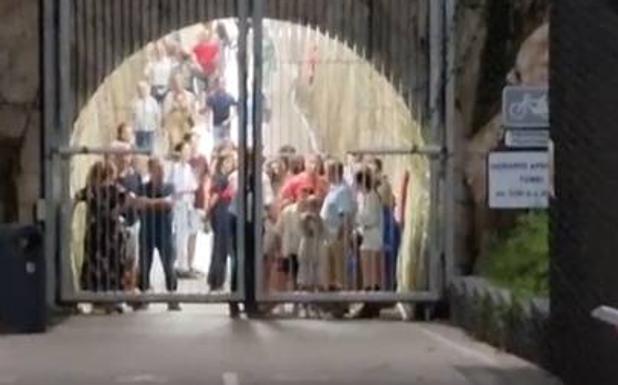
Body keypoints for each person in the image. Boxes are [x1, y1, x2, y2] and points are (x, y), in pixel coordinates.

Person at [75, 161, 129, 314]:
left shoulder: (91, 190)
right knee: (115, 265)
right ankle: (115, 300)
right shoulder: (117, 190)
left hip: (95, 233)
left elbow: (76, 197)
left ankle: (89, 299)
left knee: (92, 263)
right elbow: (126, 202)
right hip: (113, 234)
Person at [135, 158, 180, 311]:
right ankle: (143, 297)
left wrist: (149, 203)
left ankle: (172, 297)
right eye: (157, 169)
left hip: (164, 231)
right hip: (147, 230)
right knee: (144, 264)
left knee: (169, 264)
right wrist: (157, 203)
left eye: (162, 169)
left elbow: (169, 203)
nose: (161, 173)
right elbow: (139, 203)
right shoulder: (142, 187)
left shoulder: (169, 186)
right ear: (150, 171)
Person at [320, 160, 356, 291]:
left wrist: (340, 235)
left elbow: (345, 215)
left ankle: (342, 301)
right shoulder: (333, 190)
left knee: (339, 271)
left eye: (328, 171)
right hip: (328, 236)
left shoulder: (342, 191)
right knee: (331, 271)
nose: (325, 174)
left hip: (336, 236)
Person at [169, 141, 200, 279]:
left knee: (192, 233)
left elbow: (194, 185)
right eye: (185, 150)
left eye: (189, 150)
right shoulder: (175, 168)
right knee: (180, 235)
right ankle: (180, 266)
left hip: (189, 203)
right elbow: (172, 186)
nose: (187, 153)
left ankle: (189, 263)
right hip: (179, 204)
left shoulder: (190, 168)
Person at [206, 154, 235, 291]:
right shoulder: (222, 178)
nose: (230, 164)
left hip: (222, 211)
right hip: (222, 211)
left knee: (219, 246)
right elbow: (215, 196)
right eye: (228, 161)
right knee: (220, 246)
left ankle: (216, 278)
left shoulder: (222, 177)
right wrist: (208, 211)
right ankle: (217, 279)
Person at [297, 195, 328, 318]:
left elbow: (322, 232)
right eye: (312, 205)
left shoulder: (320, 219)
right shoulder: (303, 217)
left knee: (316, 279)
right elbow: (304, 230)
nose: (314, 208)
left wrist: (318, 220)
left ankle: (315, 306)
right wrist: (308, 219)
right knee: (305, 279)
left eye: (316, 205)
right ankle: (304, 306)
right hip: (306, 250)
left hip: (316, 251)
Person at [355, 168, 384, 292]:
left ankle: (373, 295)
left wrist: (357, 216)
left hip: (373, 236)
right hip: (366, 236)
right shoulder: (364, 197)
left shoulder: (372, 197)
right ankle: (368, 292)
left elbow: (371, 218)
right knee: (367, 270)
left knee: (372, 270)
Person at [186, 132, 209, 276]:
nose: (195, 145)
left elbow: (207, 175)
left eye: (197, 142)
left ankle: (190, 263)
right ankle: (182, 264)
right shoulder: (185, 161)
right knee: (184, 233)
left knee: (193, 232)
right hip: (186, 199)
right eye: (193, 142)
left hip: (198, 198)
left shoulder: (202, 159)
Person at [163, 74, 197, 154]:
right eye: (175, 83)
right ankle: (177, 157)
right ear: (172, 85)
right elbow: (165, 112)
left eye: (179, 83)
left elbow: (194, 112)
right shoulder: (169, 96)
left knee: (186, 144)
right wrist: (172, 108)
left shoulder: (190, 96)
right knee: (176, 144)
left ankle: (186, 157)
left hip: (186, 124)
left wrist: (187, 108)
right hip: (174, 125)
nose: (177, 86)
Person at [203, 77, 237, 147]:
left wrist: (229, 120)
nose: (222, 85)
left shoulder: (229, 97)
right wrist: (207, 124)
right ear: (217, 84)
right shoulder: (212, 97)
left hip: (226, 126)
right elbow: (208, 111)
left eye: (224, 83)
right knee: (217, 145)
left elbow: (235, 111)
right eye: (221, 83)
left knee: (227, 146)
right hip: (216, 125)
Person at [132, 81, 161, 153]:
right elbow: (133, 116)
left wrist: (158, 127)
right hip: (139, 130)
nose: (142, 91)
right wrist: (133, 128)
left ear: (148, 89)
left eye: (144, 89)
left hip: (150, 130)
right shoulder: (135, 102)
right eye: (140, 89)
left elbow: (157, 115)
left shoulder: (152, 101)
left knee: (149, 149)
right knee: (139, 149)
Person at [192, 27, 221, 95]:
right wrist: (198, 66)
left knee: (211, 89)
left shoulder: (213, 46)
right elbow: (194, 59)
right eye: (200, 36)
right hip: (201, 72)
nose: (201, 38)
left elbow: (217, 59)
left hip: (211, 71)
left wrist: (216, 69)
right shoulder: (196, 48)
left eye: (203, 36)